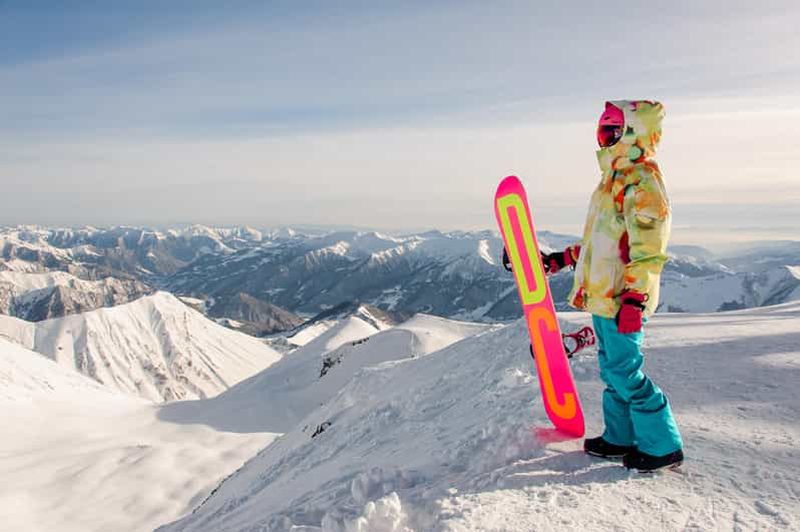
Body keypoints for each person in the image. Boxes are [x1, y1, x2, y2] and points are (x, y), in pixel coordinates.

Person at [506, 100, 683, 472]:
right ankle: (620, 437)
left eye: (611, 131)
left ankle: (663, 445)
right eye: (601, 131)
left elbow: (649, 249)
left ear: (633, 133)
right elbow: (600, 242)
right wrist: (561, 259)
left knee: (625, 372)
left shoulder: (643, 181)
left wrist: (636, 297)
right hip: (605, 296)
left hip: (623, 298)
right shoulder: (611, 181)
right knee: (612, 368)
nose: (603, 140)